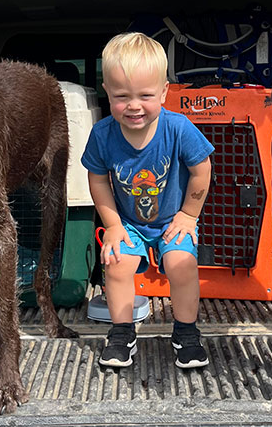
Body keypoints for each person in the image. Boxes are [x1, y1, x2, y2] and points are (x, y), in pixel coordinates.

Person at [81, 32, 214, 369]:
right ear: (107, 93)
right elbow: (97, 178)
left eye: (146, 95)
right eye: (122, 96)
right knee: (115, 263)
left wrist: (188, 216)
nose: (134, 105)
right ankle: (122, 332)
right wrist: (112, 226)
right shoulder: (103, 134)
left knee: (180, 264)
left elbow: (202, 169)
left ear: (165, 93)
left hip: (173, 219)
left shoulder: (179, 128)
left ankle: (186, 332)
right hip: (129, 223)